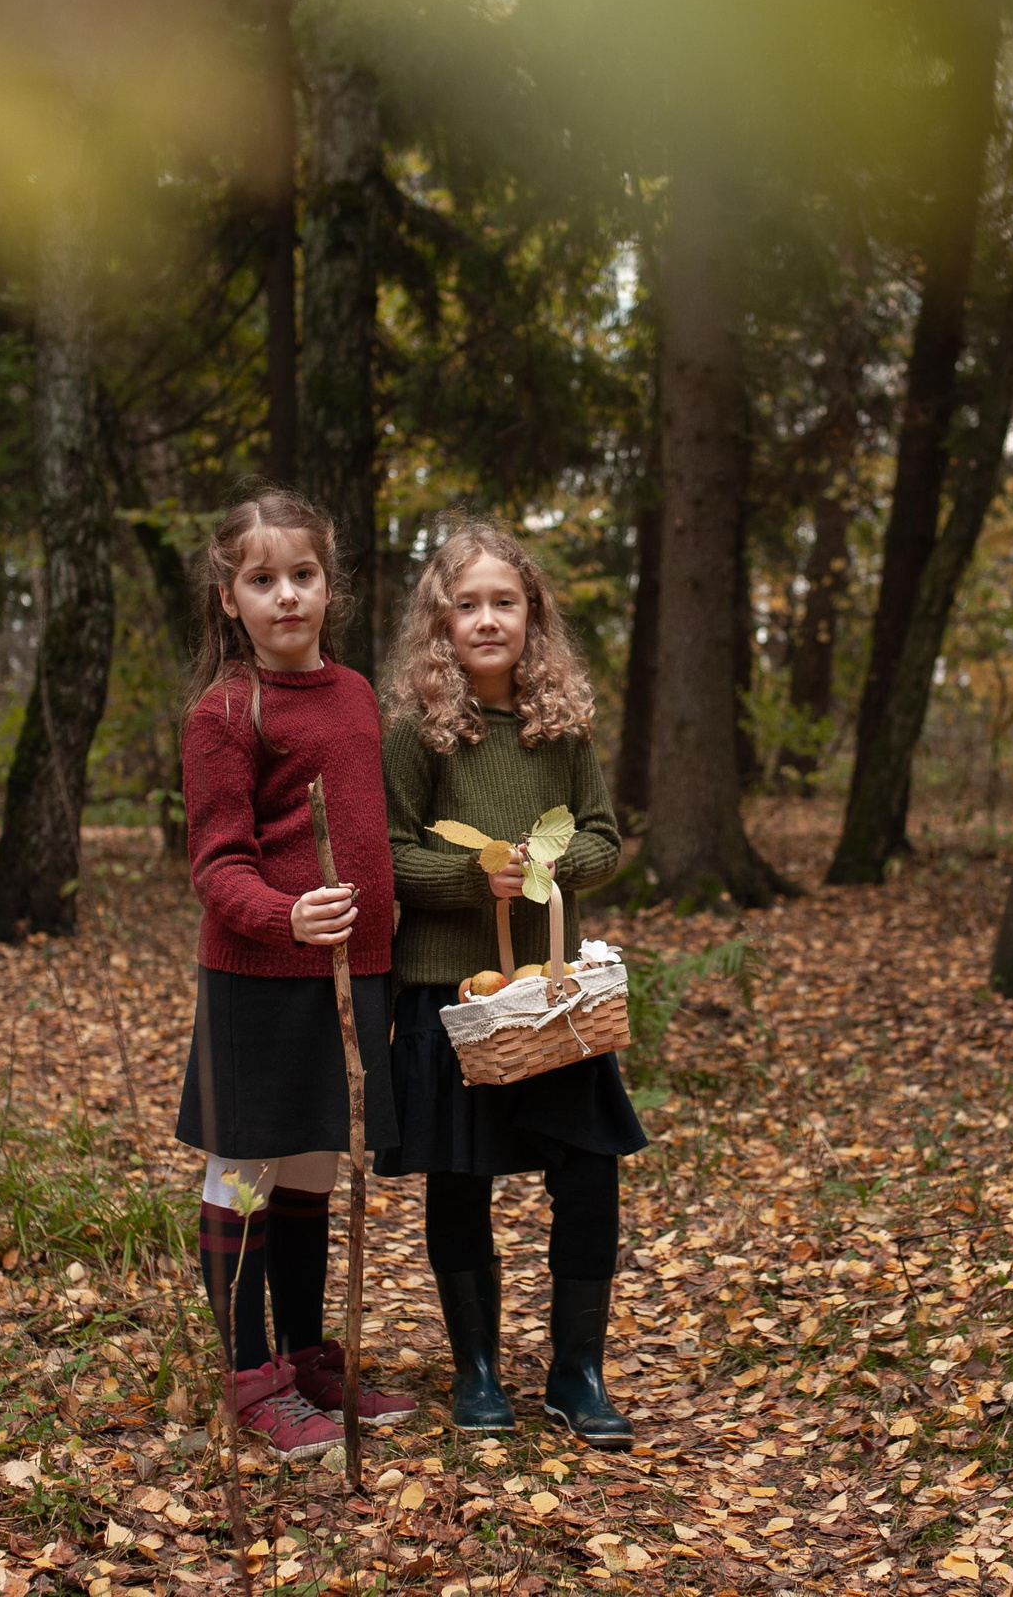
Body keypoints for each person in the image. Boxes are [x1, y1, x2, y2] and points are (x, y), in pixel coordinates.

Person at [378, 519, 642, 1450]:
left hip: (549, 993)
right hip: (451, 994)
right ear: (439, 621)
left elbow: (606, 836)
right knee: (462, 1177)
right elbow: (391, 853)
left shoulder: (559, 729)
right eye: (468, 604)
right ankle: (478, 1372)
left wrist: (554, 863)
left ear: (534, 615)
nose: (487, 620)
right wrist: (472, 876)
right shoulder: (416, 730)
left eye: (506, 602)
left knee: (589, 1167)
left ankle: (578, 1371)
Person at [175, 489, 413, 1460]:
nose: (286, 597)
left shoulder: (355, 693)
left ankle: (307, 1353)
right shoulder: (226, 712)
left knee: (314, 1164)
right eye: (262, 580)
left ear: (330, 586)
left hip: (354, 977)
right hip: (258, 980)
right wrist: (286, 915)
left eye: (302, 576)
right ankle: (247, 1372)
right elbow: (217, 864)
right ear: (228, 598)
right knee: (245, 1170)